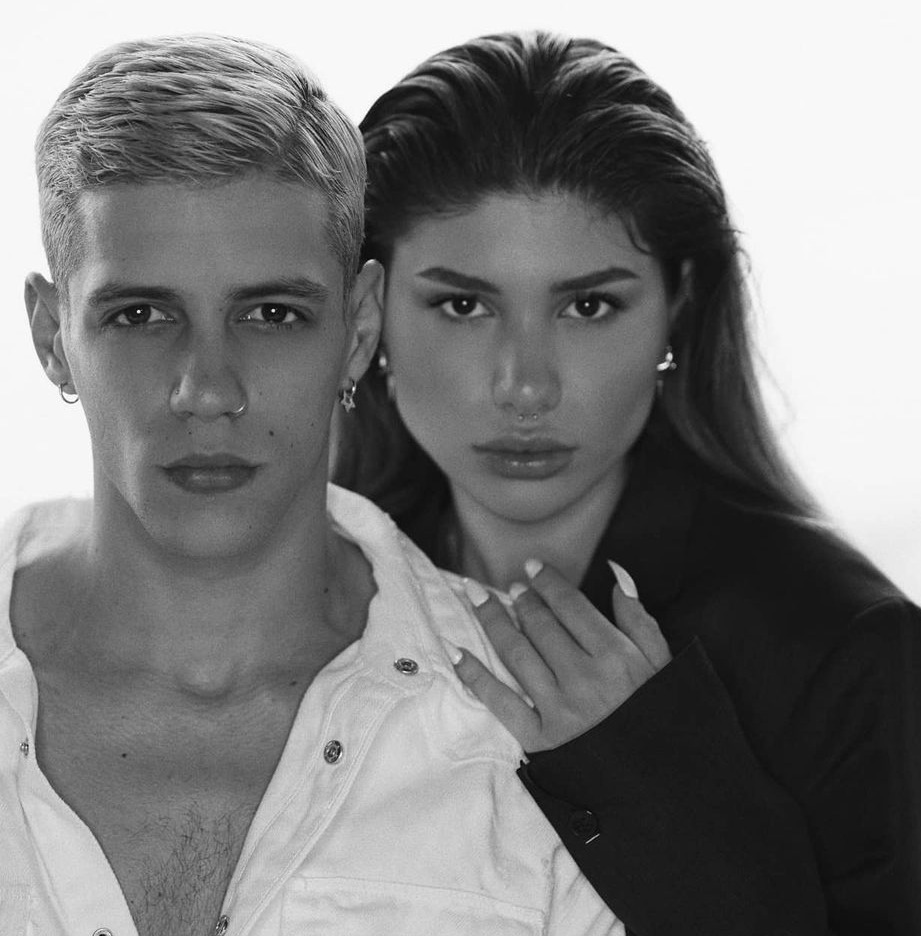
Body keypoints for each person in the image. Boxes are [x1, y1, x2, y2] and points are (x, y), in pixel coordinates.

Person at [336, 30, 921, 936]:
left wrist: (644, 771)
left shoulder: (843, 648)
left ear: (680, 305)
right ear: (369, 314)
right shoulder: (310, 595)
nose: (525, 385)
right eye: (463, 304)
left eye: (588, 305)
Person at [3, 34, 622, 936]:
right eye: (140, 314)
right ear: (52, 336)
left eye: (271, 314)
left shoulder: (545, 742)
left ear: (360, 331)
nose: (207, 390)